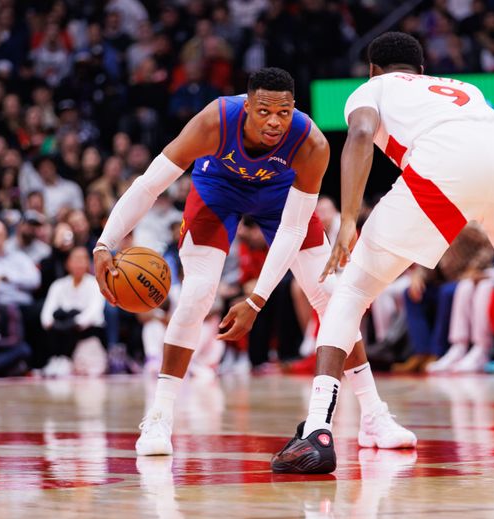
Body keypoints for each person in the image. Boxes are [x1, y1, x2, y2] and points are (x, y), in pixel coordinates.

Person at [263, 33, 494, 474]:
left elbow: (360, 135)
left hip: (444, 169)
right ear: (422, 71)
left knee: (351, 291)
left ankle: (318, 433)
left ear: (371, 69)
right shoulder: (465, 90)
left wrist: (348, 218)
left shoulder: (371, 90)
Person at [93, 68, 416, 456]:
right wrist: (104, 243)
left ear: (294, 109)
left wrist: (255, 301)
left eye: (283, 112)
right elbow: (149, 184)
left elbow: (293, 231)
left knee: (331, 295)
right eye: (264, 111)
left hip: (280, 198)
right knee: (196, 293)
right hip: (217, 191)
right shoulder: (215, 120)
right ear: (247, 107)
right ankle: (160, 417)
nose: (274, 121)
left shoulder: (311, 143)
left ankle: (373, 416)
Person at [40, 246, 106, 363]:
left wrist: (74, 322)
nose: (78, 263)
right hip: (60, 331)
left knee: (73, 315)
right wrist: (54, 324)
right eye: (75, 259)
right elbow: (47, 313)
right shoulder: (58, 285)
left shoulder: (95, 284)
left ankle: (69, 360)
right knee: (59, 316)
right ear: (67, 263)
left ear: (88, 263)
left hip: (86, 330)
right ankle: (55, 359)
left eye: (82, 259)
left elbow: (94, 311)